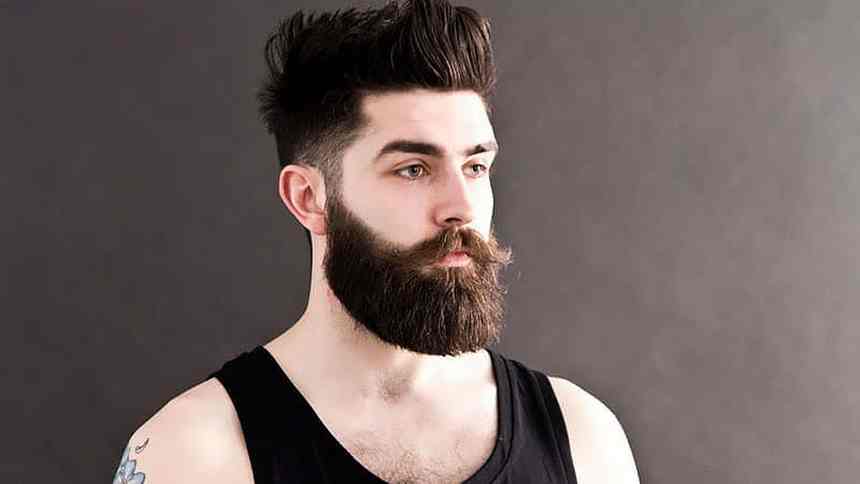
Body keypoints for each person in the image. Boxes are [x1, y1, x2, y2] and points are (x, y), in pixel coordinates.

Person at [113, 0, 640, 482]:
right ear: (308, 198)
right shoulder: (194, 456)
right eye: (413, 169)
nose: (462, 207)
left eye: (476, 166)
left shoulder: (583, 441)